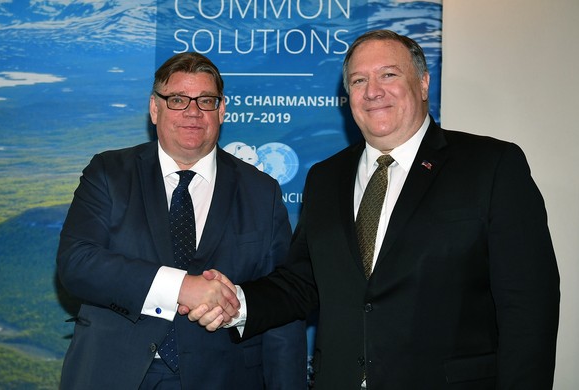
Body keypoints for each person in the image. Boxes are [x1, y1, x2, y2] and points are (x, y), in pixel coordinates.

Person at [190, 30, 560, 389]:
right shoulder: (325, 177)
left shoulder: (491, 166)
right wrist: (236, 303)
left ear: (423, 83)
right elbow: (303, 283)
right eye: (358, 80)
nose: (373, 91)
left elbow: (528, 307)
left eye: (388, 75)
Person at [56, 52, 307, 390]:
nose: (192, 111)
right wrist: (182, 287)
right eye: (177, 99)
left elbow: (281, 306)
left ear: (222, 110)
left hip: (224, 378)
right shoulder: (109, 173)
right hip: (115, 373)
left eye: (205, 100)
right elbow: (78, 263)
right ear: (154, 108)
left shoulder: (262, 192)